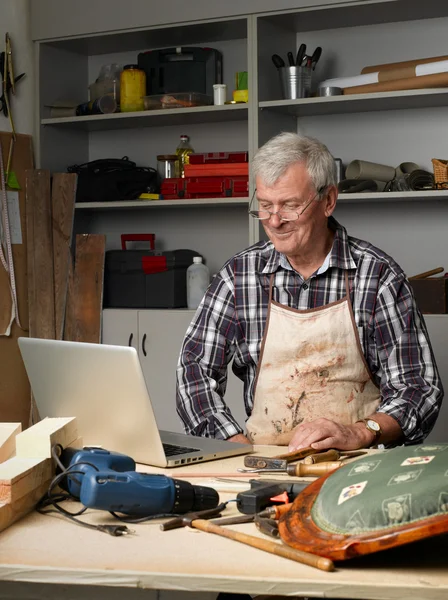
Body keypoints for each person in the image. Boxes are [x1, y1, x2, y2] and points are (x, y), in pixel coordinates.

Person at [176, 132, 443, 451]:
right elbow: (194, 371)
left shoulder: (377, 277)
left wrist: (360, 432)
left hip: (359, 464)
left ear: (328, 200)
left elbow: (418, 388)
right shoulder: (239, 276)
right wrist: (234, 446)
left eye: (289, 206)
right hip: (264, 461)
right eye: (264, 206)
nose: (274, 222)